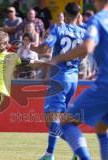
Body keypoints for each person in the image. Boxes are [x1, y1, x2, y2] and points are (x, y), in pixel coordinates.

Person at [48, 0, 108, 159]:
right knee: (102, 129)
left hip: (107, 84)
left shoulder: (97, 20)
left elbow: (87, 47)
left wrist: (57, 58)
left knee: (65, 122)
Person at [31, 3, 85, 160]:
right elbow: (86, 53)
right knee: (58, 118)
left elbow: (44, 49)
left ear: (65, 14)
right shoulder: (83, 32)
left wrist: (32, 48)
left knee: (50, 120)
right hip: (73, 78)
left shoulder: (58, 29)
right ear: (78, 14)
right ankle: (49, 154)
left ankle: (77, 147)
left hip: (60, 79)